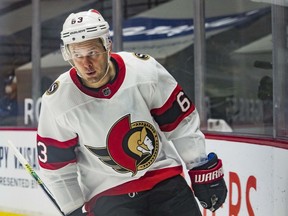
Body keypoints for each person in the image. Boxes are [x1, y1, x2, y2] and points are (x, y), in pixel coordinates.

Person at [36, 9, 227, 216]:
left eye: (92, 53)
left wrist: (199, 165)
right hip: (109, 194)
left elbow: (180, 122)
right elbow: (57, 166)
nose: (86, 64)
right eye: (77, 55)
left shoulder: (143, 71)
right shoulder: (58, 100)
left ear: (107, 46)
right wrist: (72, 208)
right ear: (68, 54)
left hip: (162, 178)